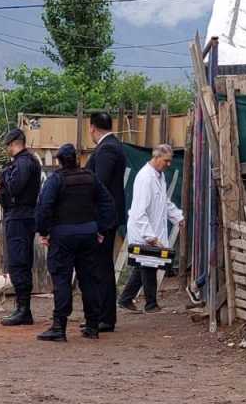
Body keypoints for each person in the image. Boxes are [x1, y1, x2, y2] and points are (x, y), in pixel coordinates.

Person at [34, 144, 116, 342]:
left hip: (62, 236)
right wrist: (101, 228)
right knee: (89, 280)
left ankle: (59, 327)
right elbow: (108, 203)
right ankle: (92, 326)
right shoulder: (90, 177)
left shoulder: (56, 180)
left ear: (59, 161)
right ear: (77, 158)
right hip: (88, 234)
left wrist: (44, 232)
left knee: (61, 280)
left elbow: (44, 207)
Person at [118, 144, 184, 313]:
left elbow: (164, 202)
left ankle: (125, 299)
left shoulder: (158, 176)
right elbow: (139, 212)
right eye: (166, 161)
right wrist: (150, 236)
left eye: (170, 161)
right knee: (148, 265)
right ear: (156, 157)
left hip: (151, 228)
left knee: (145, 265)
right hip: (143, 230)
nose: (168, 164)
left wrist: (178, 217)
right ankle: (151, 304)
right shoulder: (146, 178)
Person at [83, 112, 128, 333]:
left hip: (103, 218)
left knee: (101, 267)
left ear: (92, 128)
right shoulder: (112, 146)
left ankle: (105, 317)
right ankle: (100, 315)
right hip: (106, 216)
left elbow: (98, 184)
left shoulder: (108, 148)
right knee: (100, 265)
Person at [0, 128, 42, 326]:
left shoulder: (23, 163)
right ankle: (21, 308)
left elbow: (15, 187)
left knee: (19, 261)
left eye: (8, 145)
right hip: (18, 215)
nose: (7, 149)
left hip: (20, 216)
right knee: (18, 260)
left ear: (14, 143)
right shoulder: (26, 162)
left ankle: (24, 310)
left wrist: (4, 177)